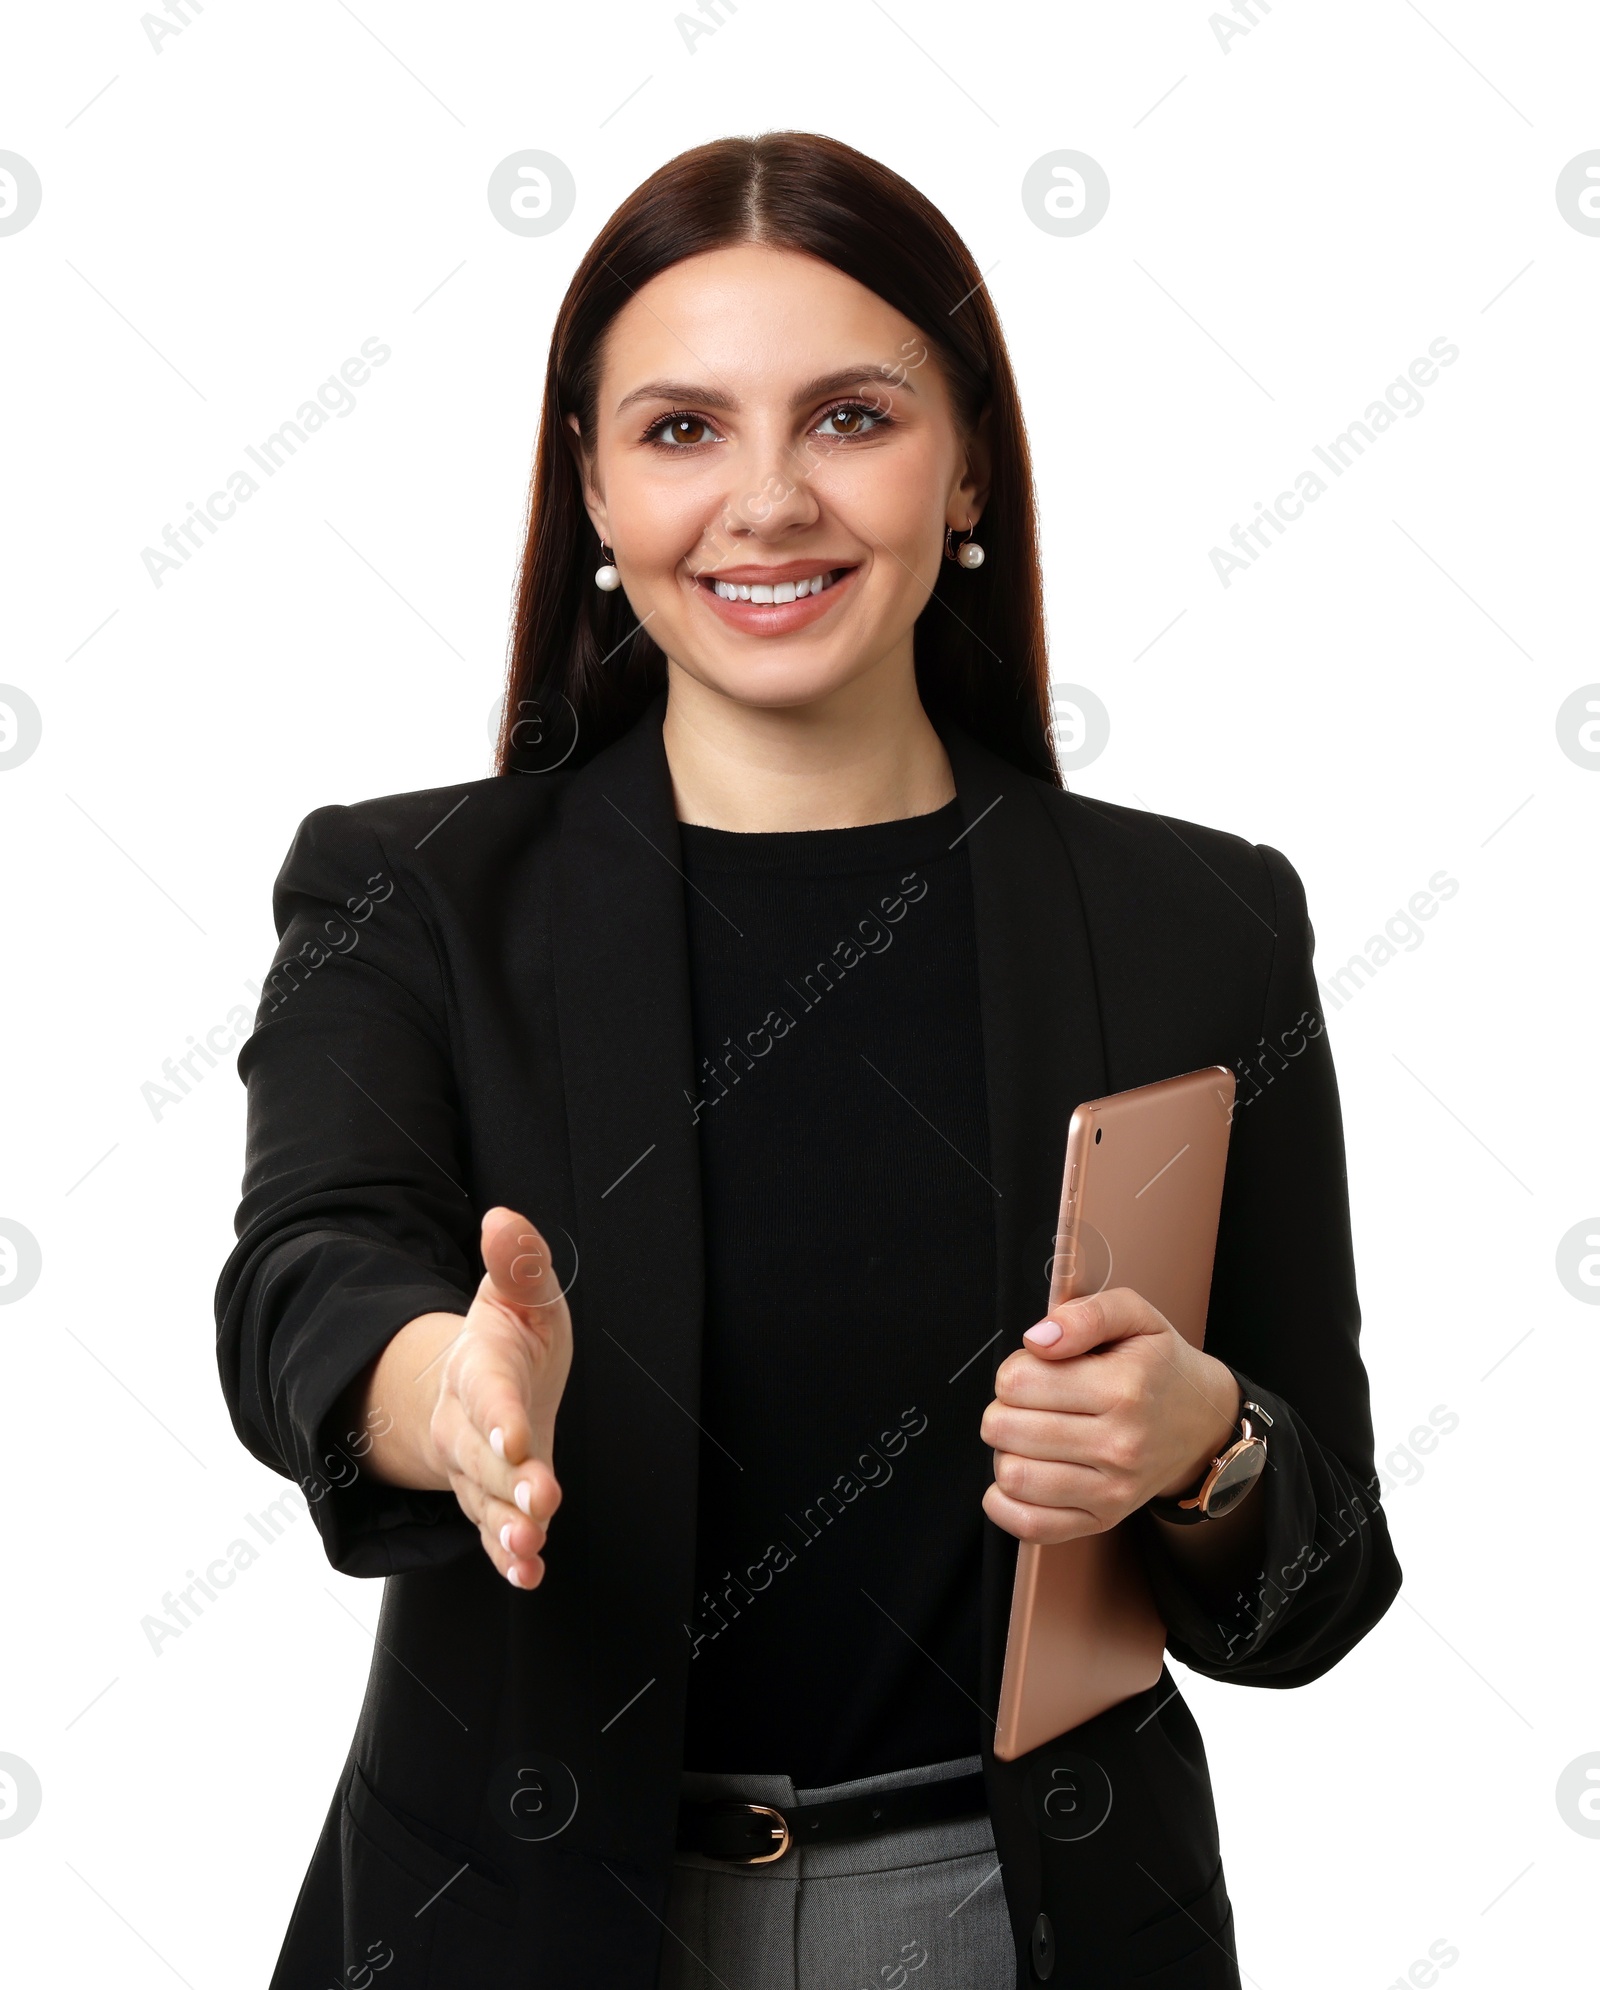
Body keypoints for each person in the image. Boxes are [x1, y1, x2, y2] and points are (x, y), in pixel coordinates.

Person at [217, 131, 1400, 1990]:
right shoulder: (410, 894)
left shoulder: (1202, 924)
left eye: (850, 417)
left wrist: (1206, 1447)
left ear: (970, 466)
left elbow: (1322, 1575)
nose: (766, 501)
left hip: (1027, 1927)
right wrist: (444, 1391)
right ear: (593, 489)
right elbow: (309, 1272)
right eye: (682, 430)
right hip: (524, 1926)